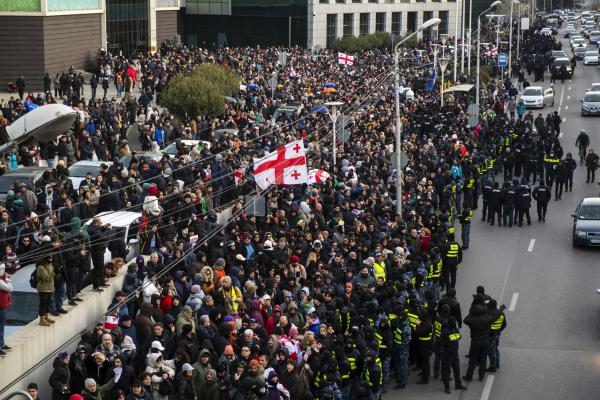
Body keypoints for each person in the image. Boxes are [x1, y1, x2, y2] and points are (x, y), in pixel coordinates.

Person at [462, 305, 493, 382]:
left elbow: (465, 320)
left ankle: (469, 375)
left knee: (473, 359)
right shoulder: (487, 319)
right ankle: (481, 376)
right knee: (483, 358)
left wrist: (471, 313)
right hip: (485, 341)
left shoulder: (473, 320)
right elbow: (491, 318)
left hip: (475, 341)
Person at [438, 317, 467, 394]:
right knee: (446, 372)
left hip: (455, 353)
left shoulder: (455, 329)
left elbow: (459, 336)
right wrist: (452, 338)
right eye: (454, 323)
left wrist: (451, 338)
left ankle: (458, 384)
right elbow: (441, 343)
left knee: (457, 370)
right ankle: (447, 387)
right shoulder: (444, 332)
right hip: (447, 355)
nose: (455, 324)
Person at [486, 300, 507, 372]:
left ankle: (493, 366)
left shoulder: (488, 313)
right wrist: (499, 331)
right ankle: (497, 362)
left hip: (490, 335)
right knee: (495, 348)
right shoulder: (501, 313)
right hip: (497, 334)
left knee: (491, 350)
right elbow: (504, 324)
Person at [36, 254, 55, 326]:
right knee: (43, 304)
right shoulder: (41, 267)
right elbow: (46, 278)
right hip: (43, 289)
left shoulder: (49, 266)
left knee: (48, 303)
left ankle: (46, 317)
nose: (51, 259)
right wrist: (50, 269)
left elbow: (53, 275)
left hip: (50, 288)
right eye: (50, 258)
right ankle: (41, 320)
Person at [0, 262, 12, 356]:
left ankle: (2, 344)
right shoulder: (0, 281)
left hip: (2, 306)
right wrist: (7, 279)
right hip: (0, 307)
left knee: (2, 326)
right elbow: (10, 288)